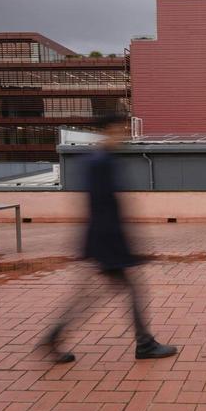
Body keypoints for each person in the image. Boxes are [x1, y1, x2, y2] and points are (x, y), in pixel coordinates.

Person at [42, 115, 176, 362]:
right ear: (107, 131)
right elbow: (104, 206)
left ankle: (54, 336)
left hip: (103, 239)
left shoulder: (102, 160)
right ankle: (144, 344)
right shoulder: (101, 162)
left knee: (92, 295)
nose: (123, 134)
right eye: (119, 129)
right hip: (107, 240)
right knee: (118, 292)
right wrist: (121, 246)